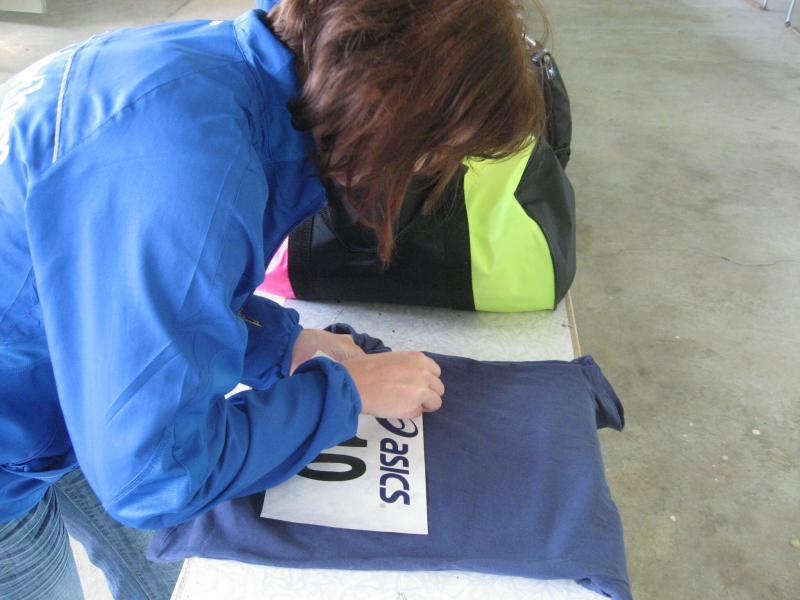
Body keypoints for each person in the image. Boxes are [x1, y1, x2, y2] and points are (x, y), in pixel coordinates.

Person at [0, 0, 548, 598]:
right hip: (14, 439)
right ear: (387, 98)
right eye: (431, 151)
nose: (420, 171)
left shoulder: (225, 78)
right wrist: (345, 394)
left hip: (60, 383)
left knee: (172, 573)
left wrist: (283, 344)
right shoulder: (189, 166)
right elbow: (154, 476)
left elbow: (136, 286)